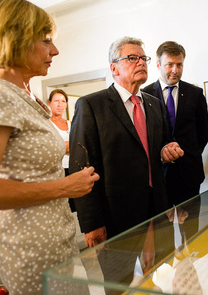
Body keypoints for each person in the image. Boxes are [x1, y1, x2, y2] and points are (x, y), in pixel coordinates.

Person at [0, 0, 99, 295]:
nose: (55, 50)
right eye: (46, 40)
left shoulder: (25, 96)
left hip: (55, 239)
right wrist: (65, 187)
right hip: (30, 247)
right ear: (16, 39)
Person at [70, 36, 184, 248]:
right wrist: (91, 223)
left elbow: (162, 144)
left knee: (161, 273)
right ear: (114, 68)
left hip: (158, 208)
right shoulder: (92, 105)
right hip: (116, 215)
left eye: (144, 58)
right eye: (132, 58)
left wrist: (168, 149)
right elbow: (81, 168)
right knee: (119, 280)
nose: (141, 62)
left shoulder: (154, 104)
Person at [143, 41, 208, 206]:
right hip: (159, 175)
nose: (175, 70)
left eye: (179, 65)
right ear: (158, 65)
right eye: (170, 64)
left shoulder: (195, 94)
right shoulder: (145, 95)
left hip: (189, 173)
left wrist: (189, 154)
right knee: (162, 229)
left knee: (191, 229)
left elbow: (203, 132)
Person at [48, 89, 76, 211]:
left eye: (63, 101)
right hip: (57, 170)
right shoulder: (46, 124)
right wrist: (65, 146)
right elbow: (49, 148)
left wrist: (63, 146)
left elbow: (79, 145)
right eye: (56, 101)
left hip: (73, 168)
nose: (60, 104)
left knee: (75, 205)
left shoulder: (71, 123)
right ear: (49, 103)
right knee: (61, 205)